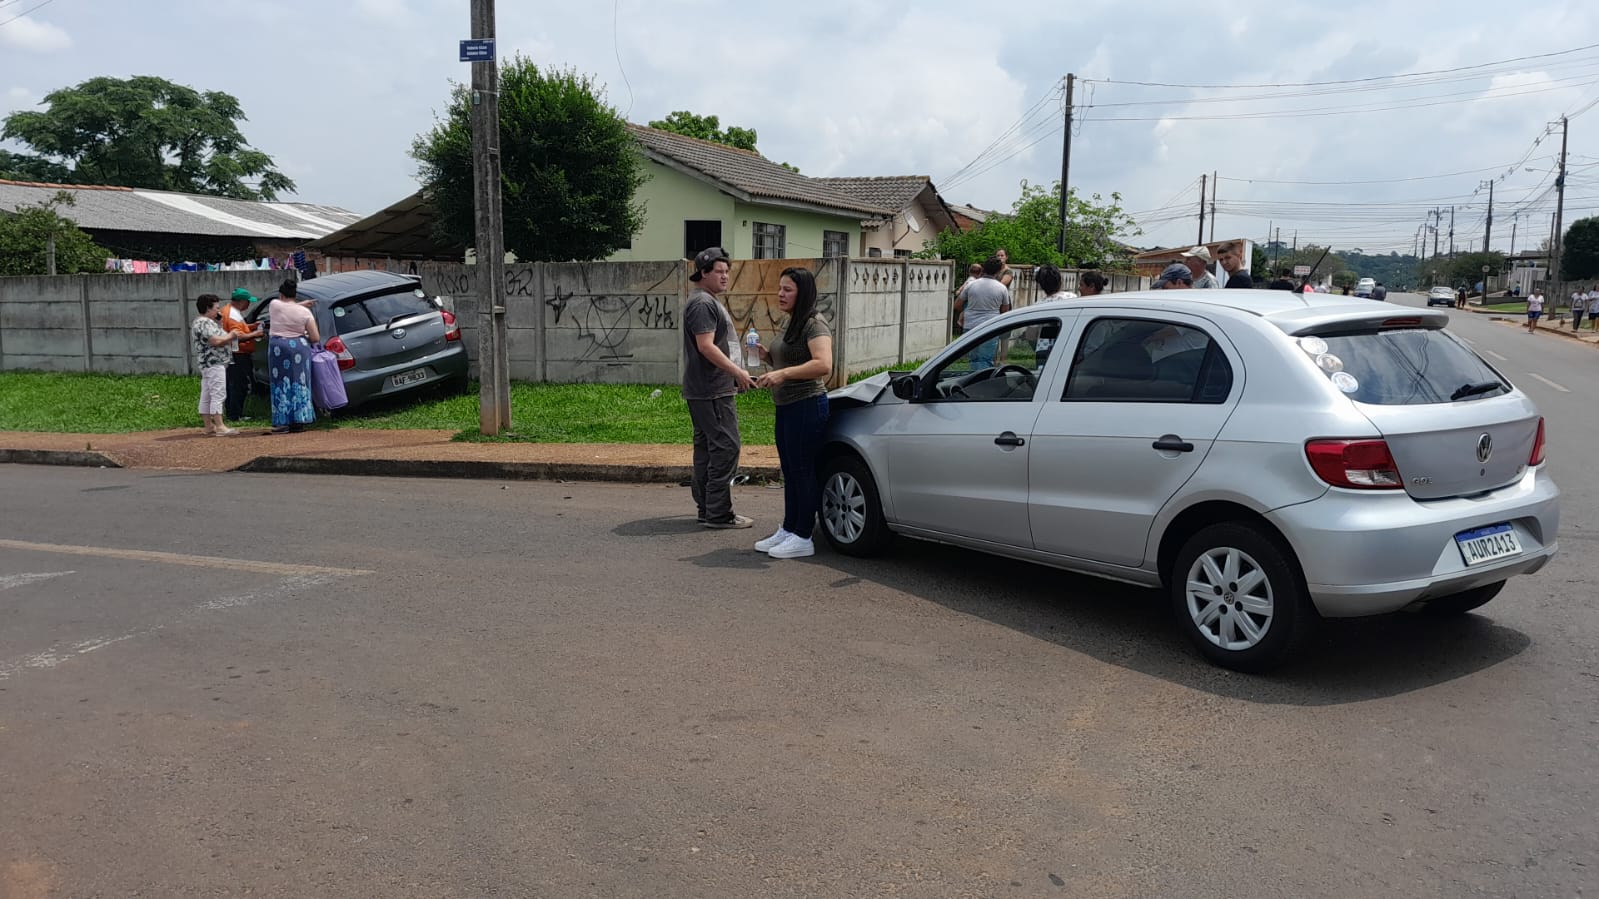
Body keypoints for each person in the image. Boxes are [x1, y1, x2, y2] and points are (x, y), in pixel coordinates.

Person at [751, 267, 833, 559]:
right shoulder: (792, 322)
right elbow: (790, 357)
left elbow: (823, 364)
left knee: (802, 470)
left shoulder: (814, 323)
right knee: (790, 470)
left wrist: (783, 373)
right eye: (780, 289)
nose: (780, 294)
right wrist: (768, 357)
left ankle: (803, 535)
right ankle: (788, 528)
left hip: (807, 405)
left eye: (787, 290)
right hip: (786, 406)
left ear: (803, 293)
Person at [682, 246, 756, 529]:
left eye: (727, 272)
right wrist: (737, 371)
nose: (725, 277)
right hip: (711, 390)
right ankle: (718, 513)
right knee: (726, 447)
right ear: (703, 273)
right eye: (719, 272)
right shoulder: (702, 304)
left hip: (707, 389)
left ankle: (706, 508)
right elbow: (705, 346)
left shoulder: (706, 300)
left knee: (708, 449)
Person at [190, 294, 257, 437]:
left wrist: (219, 323)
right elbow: (215, 341)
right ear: (208, 308)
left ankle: (209, 425)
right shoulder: (204, 323)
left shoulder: (204, 322)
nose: (219, 311)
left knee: (207, 394)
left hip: (209, 363)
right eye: (216, 308)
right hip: (214, 362)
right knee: (218, 393)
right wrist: (231, 335)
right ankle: (219, 425)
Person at [267, 279, 320, 433]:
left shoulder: (274, 305)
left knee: (280, 381)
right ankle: (300, 419)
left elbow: (286, 308)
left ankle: (283, 421)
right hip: (299, 347)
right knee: (300, 380)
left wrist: (301, 304)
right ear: (294, 295)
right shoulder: (305, 312)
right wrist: (303, 305)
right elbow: (315, 337)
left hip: (279, 347)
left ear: (280, 294)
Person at [962, 255, 1011, 368]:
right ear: (998, 271)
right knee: (986, 359)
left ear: (983, 269)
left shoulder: (971, 284)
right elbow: (1005, 310)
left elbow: (958, 304)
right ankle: (983, 381)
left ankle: (974, 379)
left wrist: (965, 312)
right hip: (990, 326)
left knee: (973, 359)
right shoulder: (1002, 288)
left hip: (971, 326)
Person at [222, 288, 259, 422]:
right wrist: (256, 334)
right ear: (242, 301)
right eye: (248, 302)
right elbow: (238, 336)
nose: (249, 304)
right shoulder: (233, 315)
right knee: (240, 384)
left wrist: (252, 326)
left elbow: (237, 329)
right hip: (238, 353)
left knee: (233, 384)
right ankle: (235, 415)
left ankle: (232, 413)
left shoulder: (229, 311)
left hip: (233, 353)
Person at [952, 262, 983, 335]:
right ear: (980, 273)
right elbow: (965, 287)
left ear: (969, 271)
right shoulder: (972, 281)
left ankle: (961, 321)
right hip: (967, 300)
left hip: (966, 300)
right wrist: (960, 292)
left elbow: (963, 286)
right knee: (965, 312)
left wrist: (959, 291)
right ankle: (960, 321)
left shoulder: (970, 279)